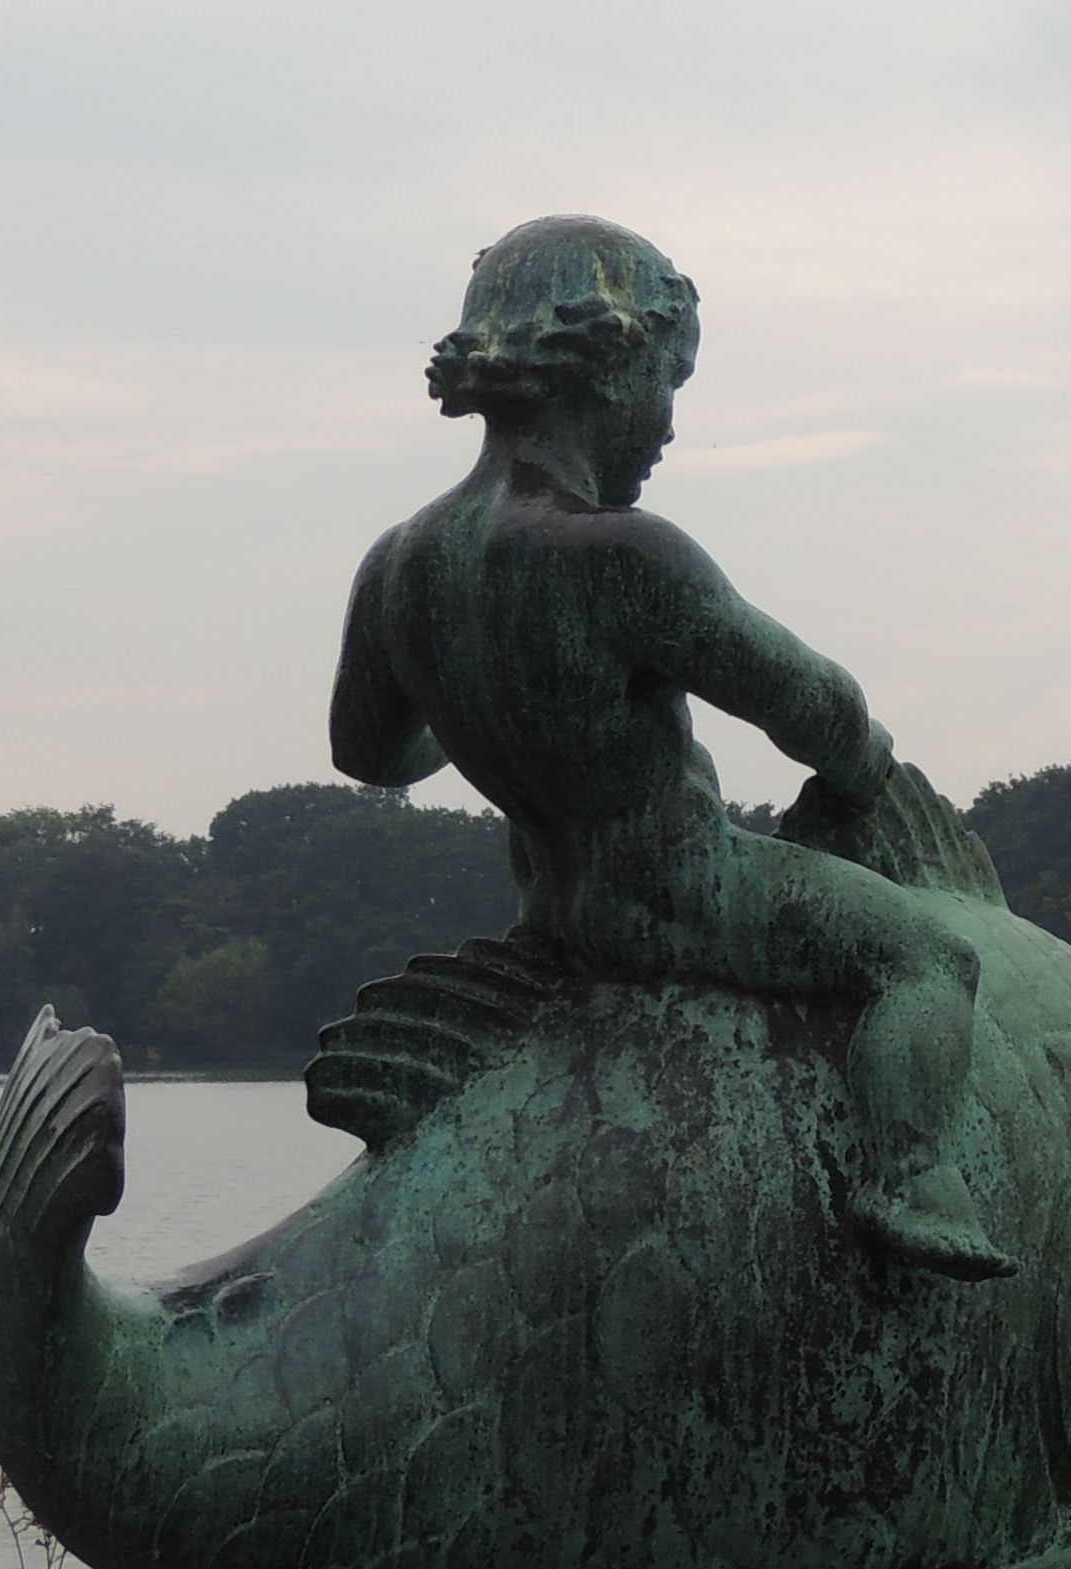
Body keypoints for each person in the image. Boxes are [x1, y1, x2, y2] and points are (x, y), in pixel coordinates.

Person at [330, 215, 1014, 1279]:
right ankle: (910, 1182)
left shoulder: (400, 568)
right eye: (668, 388)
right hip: (686, 893)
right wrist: (862, 768)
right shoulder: (621, 556)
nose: (668, 429)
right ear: (610, 372)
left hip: (551, 909)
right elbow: (808, 700)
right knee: (929, 958)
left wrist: (467, 694)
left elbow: (370, 752)